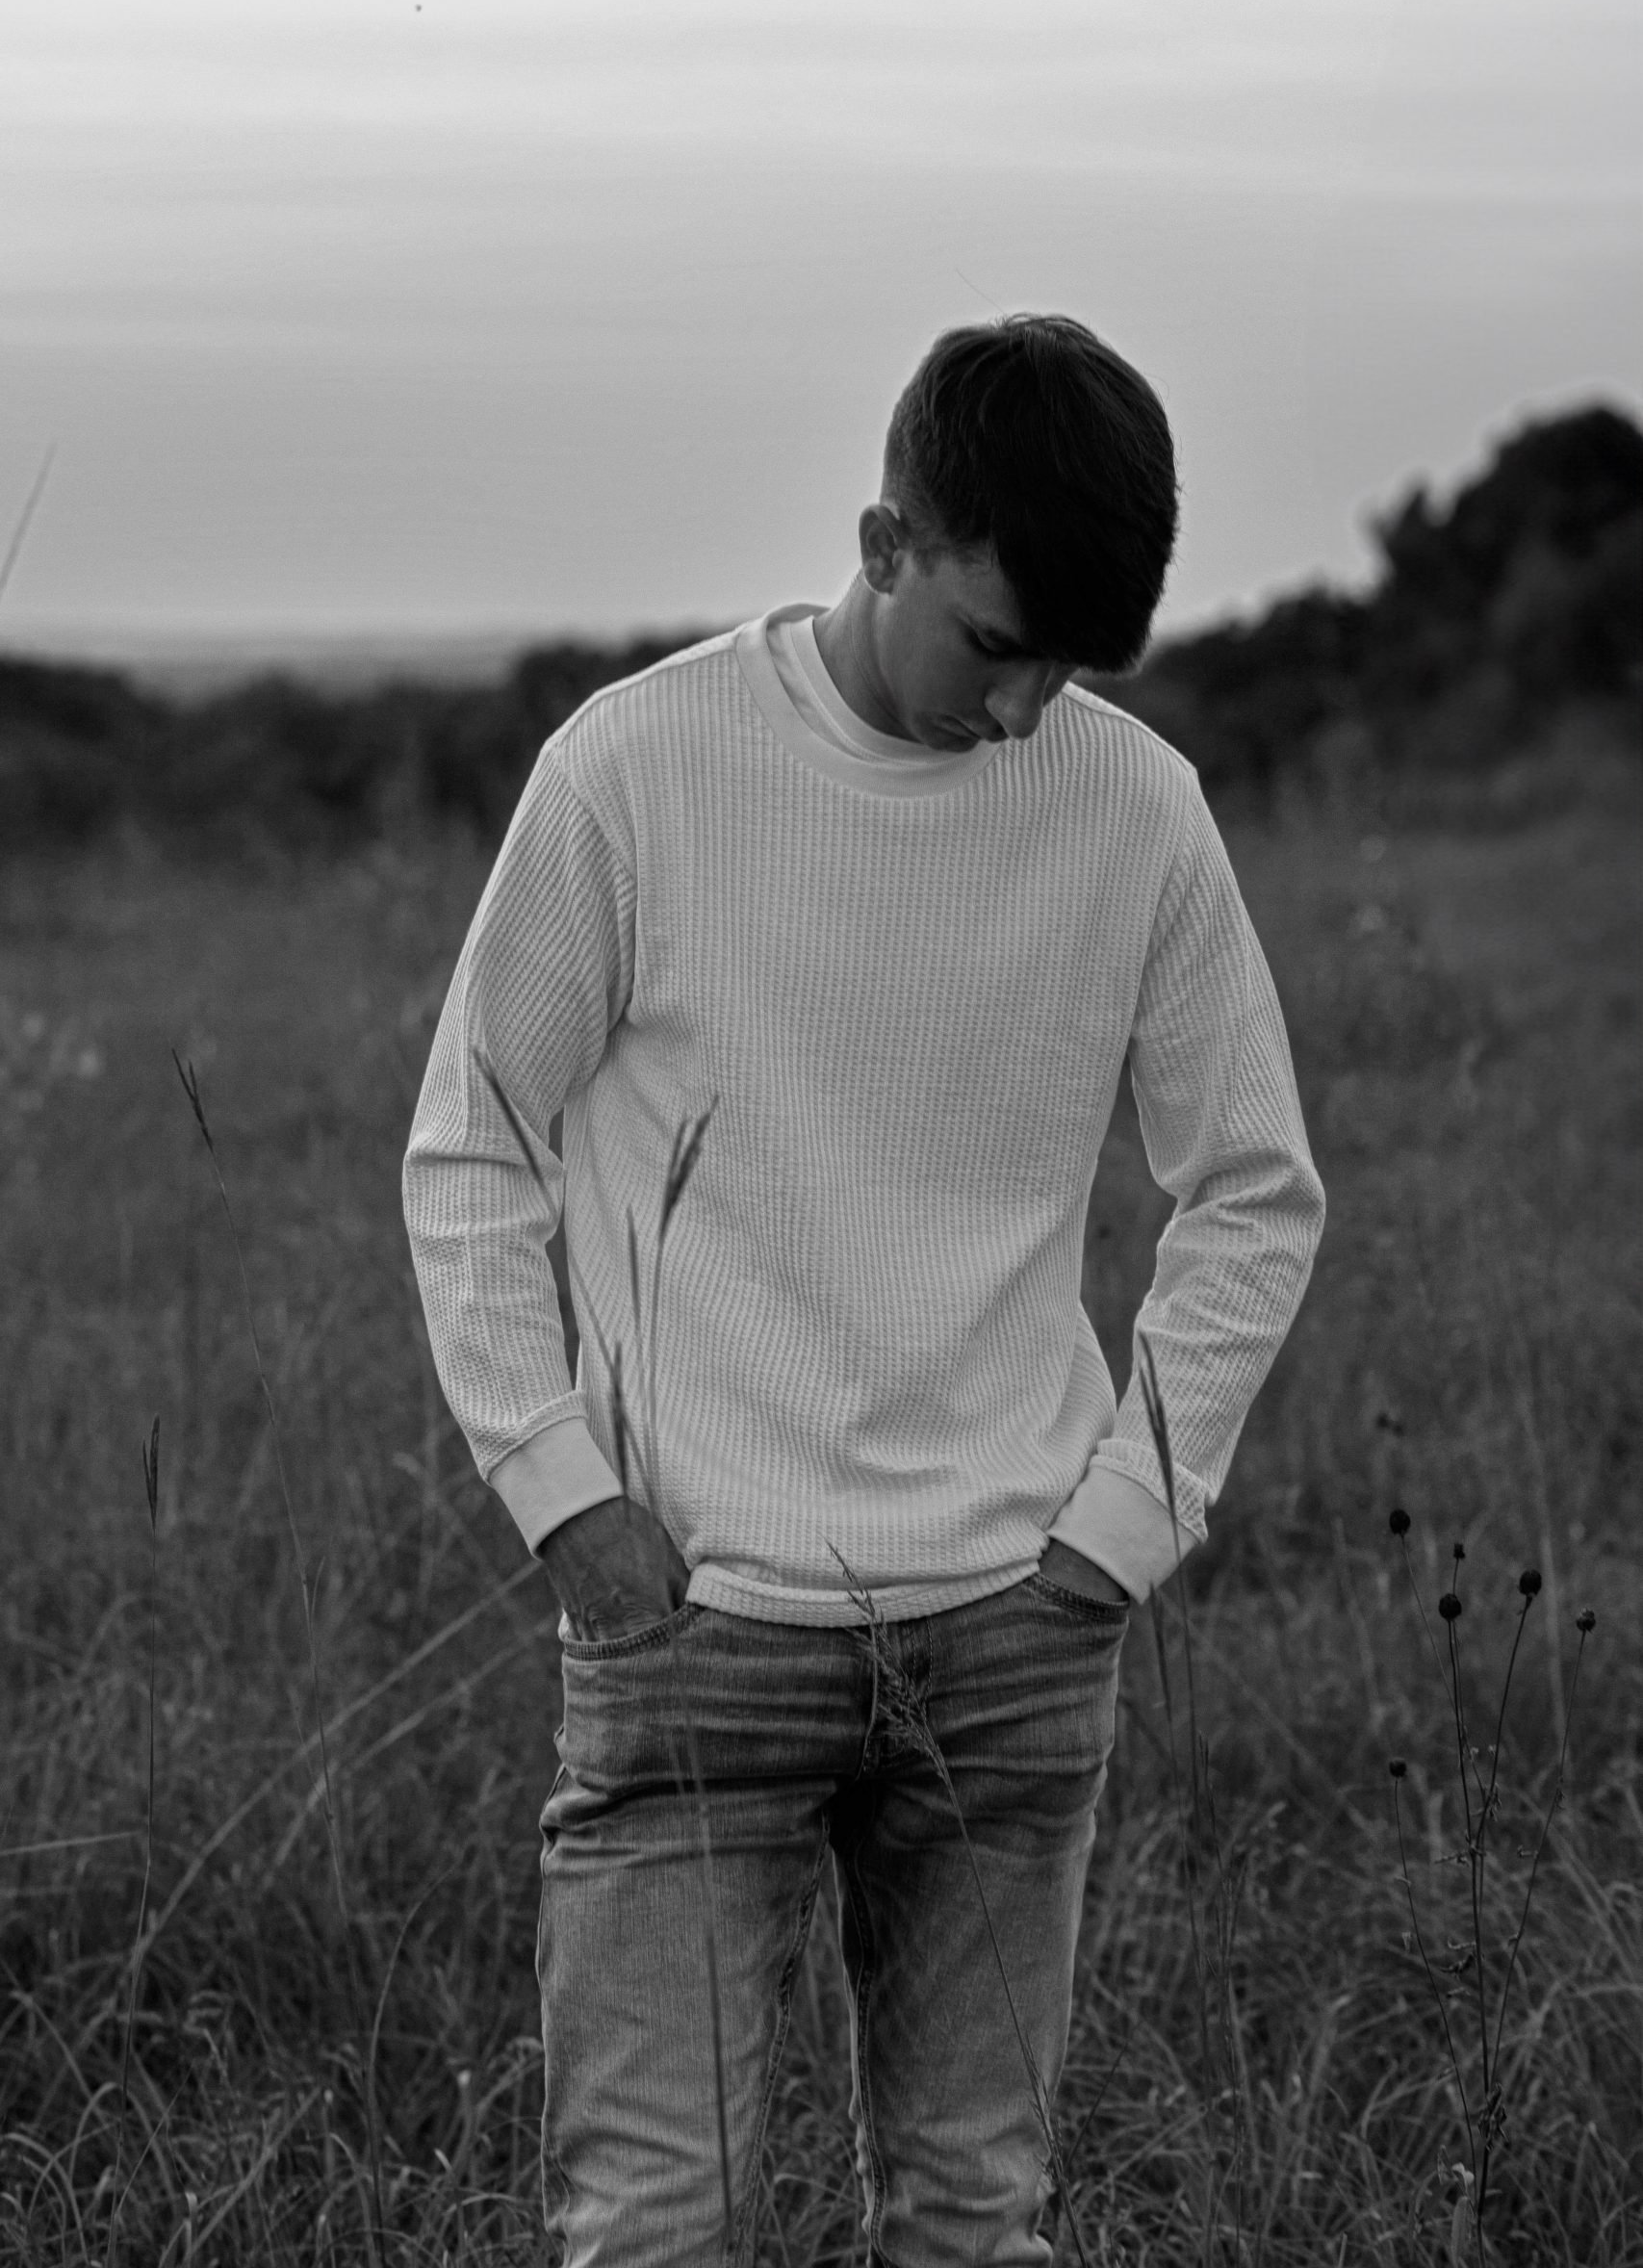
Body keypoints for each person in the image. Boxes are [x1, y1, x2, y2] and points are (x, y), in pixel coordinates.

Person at [402, 314, 1325, 2265]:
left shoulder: (1133, 806)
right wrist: (563, 1491)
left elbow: (1248, 1186)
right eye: (996, 646)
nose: (1021, 714)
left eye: (1071, 667)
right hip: (692, 1621)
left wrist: (1124, 1518)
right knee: (662, 2226)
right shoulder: (638, 768)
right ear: (883, 537)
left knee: (975, 2220)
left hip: (1014, 1626)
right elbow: (472, 1136)